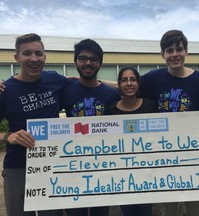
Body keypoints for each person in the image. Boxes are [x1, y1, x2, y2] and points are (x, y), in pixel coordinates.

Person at [0, 33, 71, 216]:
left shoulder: (54, 79)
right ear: (17, 57)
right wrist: (7, 137)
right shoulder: (4, 90)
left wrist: (123, 85)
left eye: (38, 53)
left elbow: (85, 84)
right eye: (27, 53)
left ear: (45, 57)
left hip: (52, 164)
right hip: (18, 166)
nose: (34, 59)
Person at [136, 30, 199, 216]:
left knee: (194, 205)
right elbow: (126, 86)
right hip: (163, 152)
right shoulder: (154, 78)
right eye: (169, 50)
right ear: (162, 54)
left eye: (179, 49)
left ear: (186, 51)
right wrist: (89, 82)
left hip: (192, 151)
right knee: (168, 207)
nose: (174, 54)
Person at [62, 39, 121, 216]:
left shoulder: (111, 94)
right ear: (75, 62)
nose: (88, 63)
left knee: (100, 211)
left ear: (100, 63)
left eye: (93, 59)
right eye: (83, 58)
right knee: (75, 212)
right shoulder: (65, 90)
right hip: (72, 163)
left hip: (102, 164)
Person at [108, 66, 158, 216]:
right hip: (122, 174)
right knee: (127, 211)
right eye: (124, 80)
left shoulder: (150, 106)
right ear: (119, 85)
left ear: (138, 83)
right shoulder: (110, 110)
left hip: (146, 172)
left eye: (132, 79)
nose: (129, 83)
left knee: (144, 211)